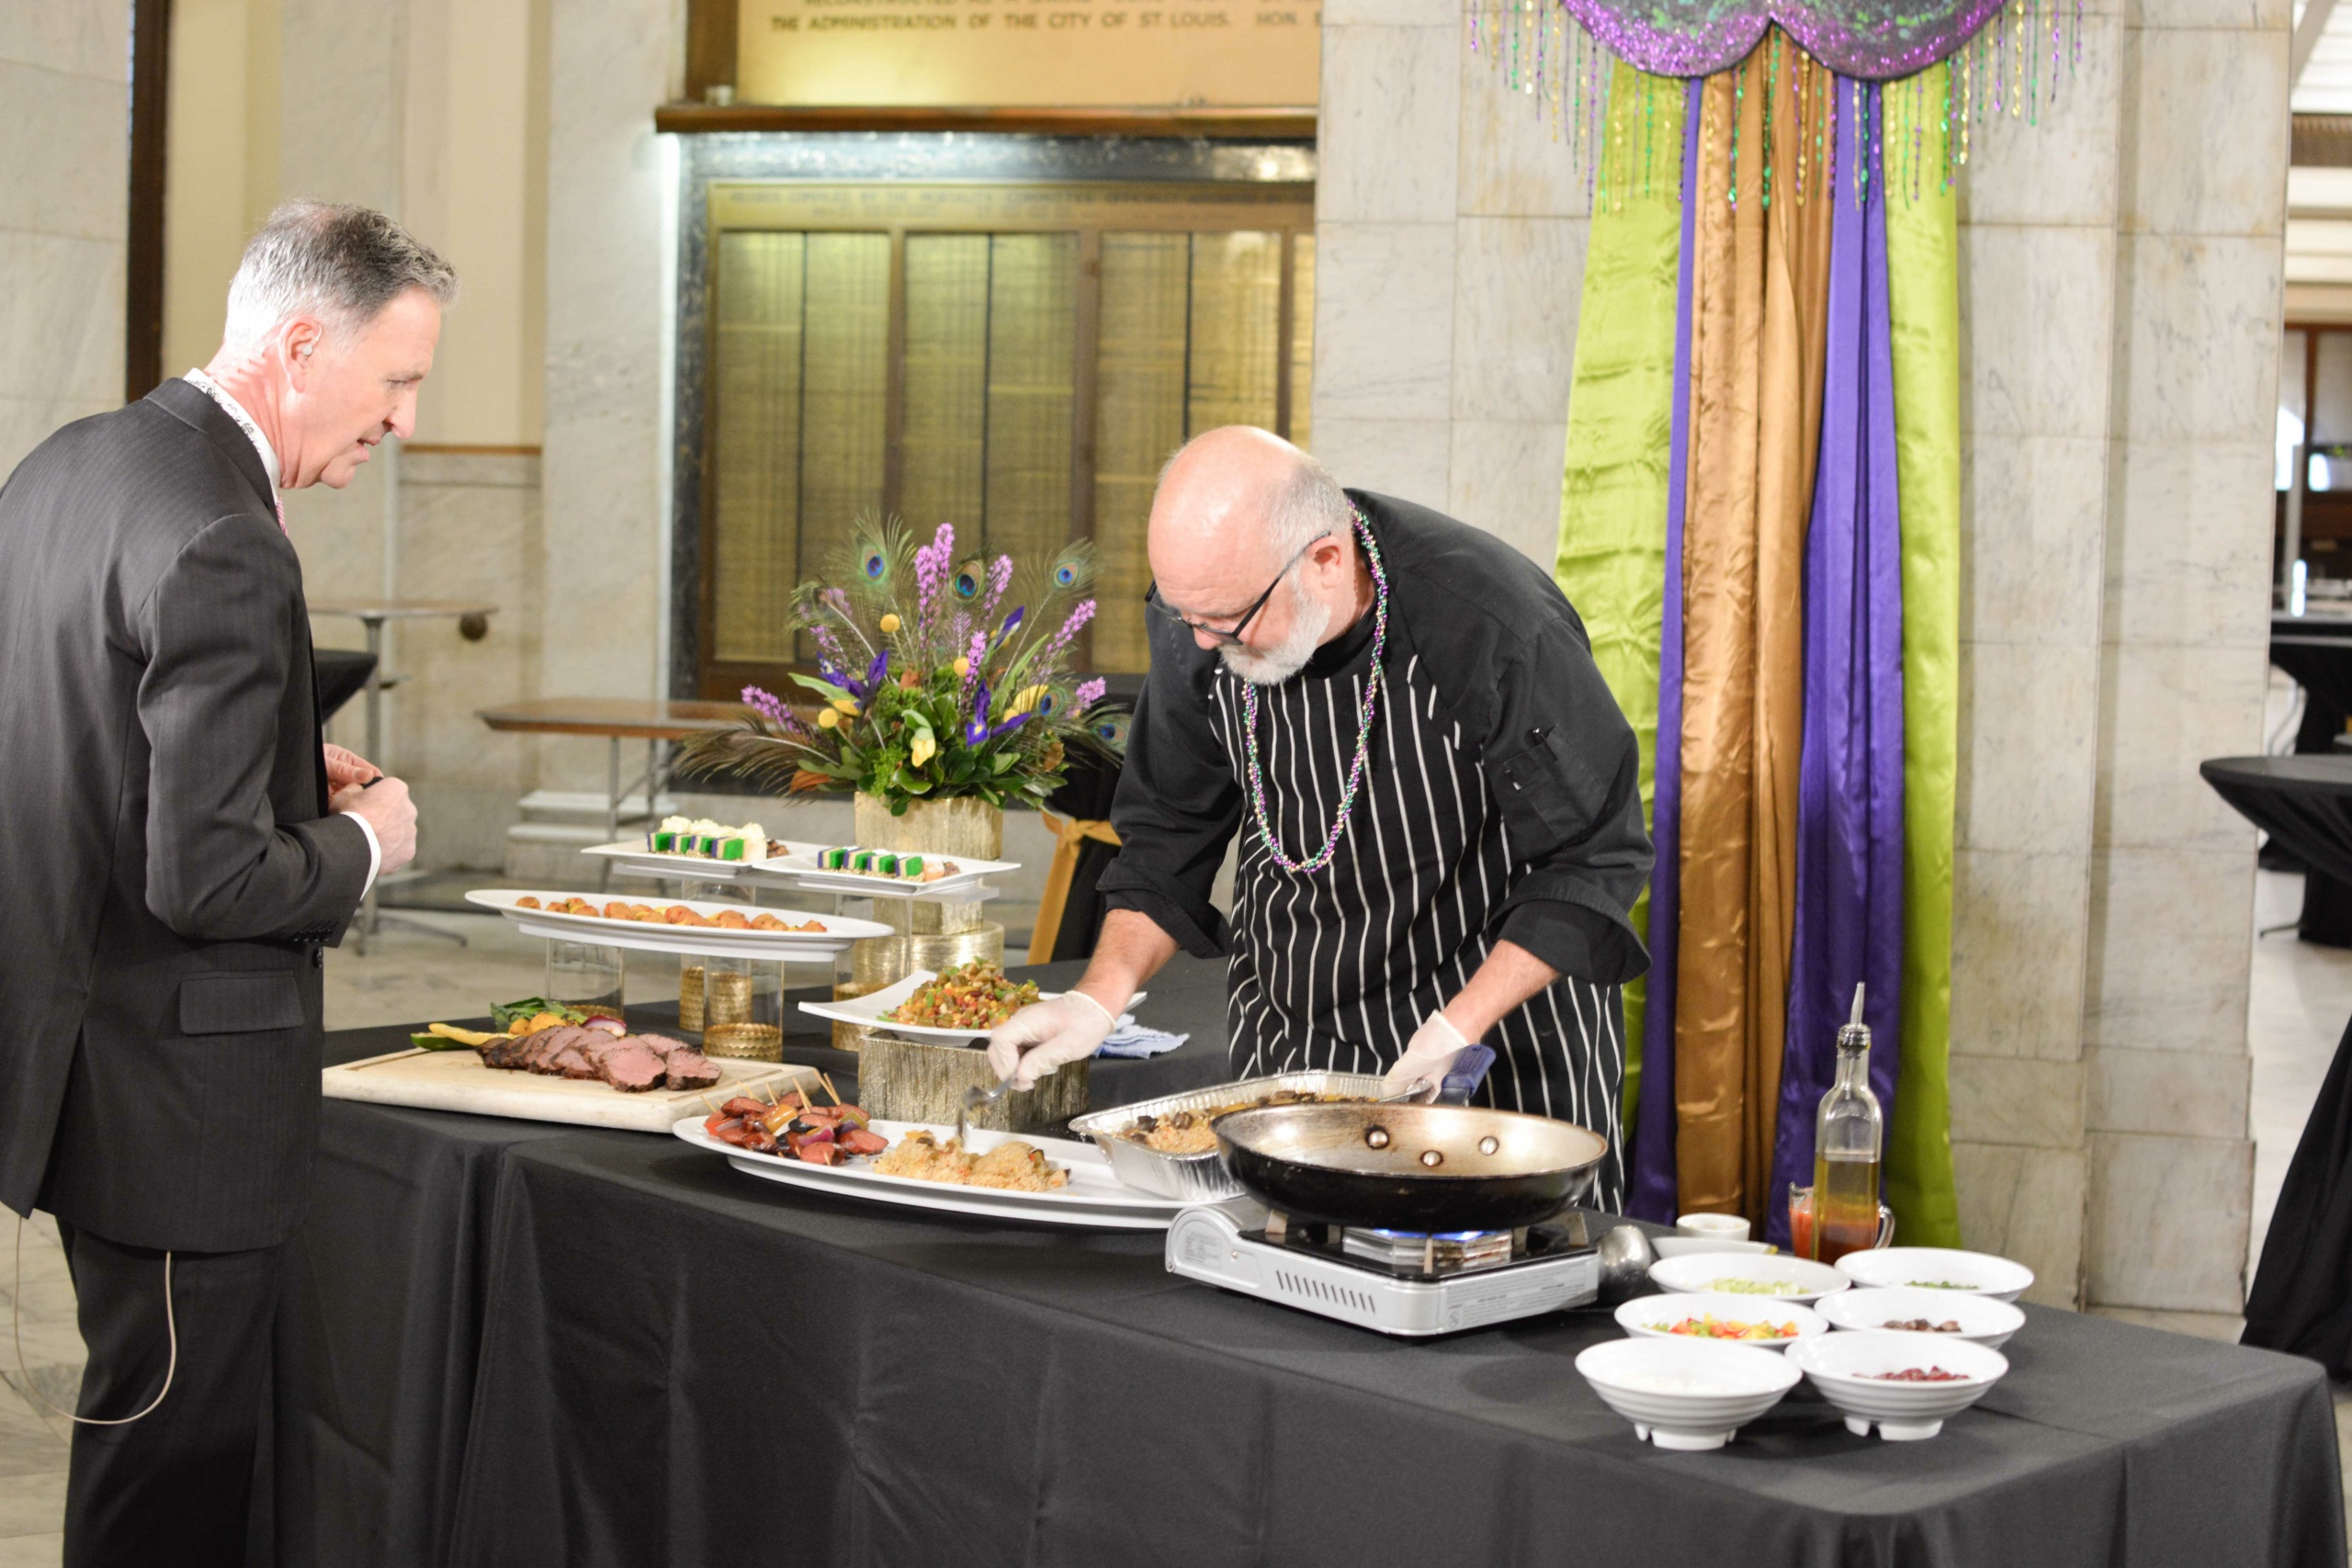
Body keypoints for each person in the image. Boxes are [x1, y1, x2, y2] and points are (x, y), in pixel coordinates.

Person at [0, 201, 450, 1566]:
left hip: (77, 1069)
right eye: (399, 382)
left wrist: (271, 756)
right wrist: (373, 839)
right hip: (177, 1116)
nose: (408, 422)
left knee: (151, 1445)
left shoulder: (71, 465)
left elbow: (72, 735)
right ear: (303, 347)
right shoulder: (225, 534)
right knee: (167, 1490)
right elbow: (205, 879)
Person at [986, 426, 1654, 1209]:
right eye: (1185, 617)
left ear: (1327, 560)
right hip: (1297, 1040)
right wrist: (1096, 999)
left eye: (1227, 624)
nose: (1203, 644)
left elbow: (1593, 855)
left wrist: (1458, 1025)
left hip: (1501, 1046)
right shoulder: (1203, 614)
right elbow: (1168, 832)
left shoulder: (1491, 625)